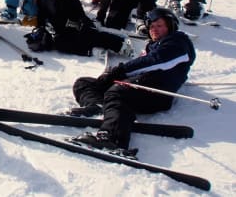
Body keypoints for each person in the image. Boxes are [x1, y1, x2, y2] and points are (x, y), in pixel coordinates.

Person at [71, 8, 195, 152]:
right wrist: (112, 76)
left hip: (158, 93)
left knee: (117, 93)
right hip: (142, 85)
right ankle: (97, 106)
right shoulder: (156, 45)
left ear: (170, 26)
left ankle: (113, 138)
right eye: (152, 26)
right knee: (85, 83)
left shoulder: (178, 43)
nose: (154, 29)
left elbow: (155, 62)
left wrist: (120, 71)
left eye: (159, 25)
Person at [30, 0, 134, 57]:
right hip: (60, 29)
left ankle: (121, 44)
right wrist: (41, 28)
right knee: (59, 44)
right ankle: (90, 51)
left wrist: (82, 23)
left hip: (74, 23)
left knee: (91, 36)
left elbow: (78, 10)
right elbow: (41, 14)